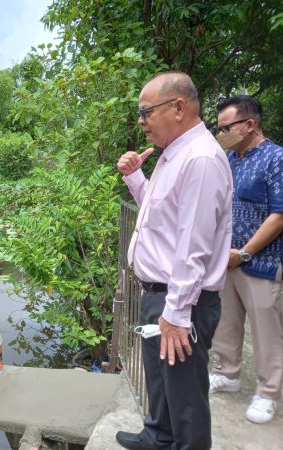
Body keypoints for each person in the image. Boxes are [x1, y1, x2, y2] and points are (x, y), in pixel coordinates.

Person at [115, 72, 233, 450]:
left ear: (178, 107)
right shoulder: (175, 154)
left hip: (182, 299)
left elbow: (192, 246)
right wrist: (135, 178)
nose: (141, 121)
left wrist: (177, 313)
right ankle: (157, 436)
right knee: (160, 379)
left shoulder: (199, 158)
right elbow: (160, 214)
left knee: (186, 396)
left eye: (146, 111)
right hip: (161, 294)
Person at [209, 95, 283, 424]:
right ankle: (228, 374)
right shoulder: (229, 159)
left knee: (267, 330)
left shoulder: (276, 158)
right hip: (225, 259)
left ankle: (267, 393)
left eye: (227, 127)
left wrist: (244, 253)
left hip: (261, 263)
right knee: (226, 321)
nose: (221, 132)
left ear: (249, 124)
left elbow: (279, 215)